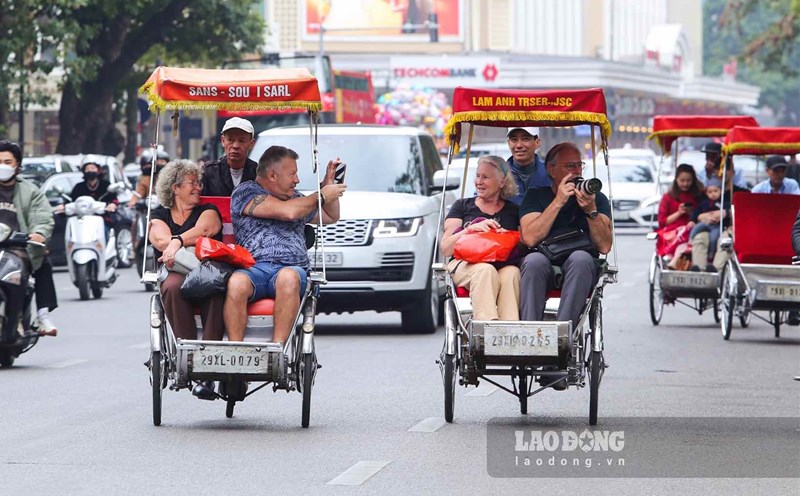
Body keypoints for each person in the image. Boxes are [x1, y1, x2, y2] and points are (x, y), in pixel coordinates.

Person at [225, 146, 346, 344]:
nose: (296, 180)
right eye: (293, 174)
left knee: (288, 277)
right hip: (254, 268)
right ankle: (236, 350)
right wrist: (321, 195)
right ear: (272, 175)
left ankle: (277, 350)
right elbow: (286, 212)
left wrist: (329, 185)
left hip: (291, 270)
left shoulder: (297, 198)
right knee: (236, 282)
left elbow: (330, 216)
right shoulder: (245, 192)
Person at [519, 142, 613, 389]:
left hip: (578, 264)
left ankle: (561, 348)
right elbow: (529, 237)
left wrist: (590, 210)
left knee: (582, 259)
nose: (577, 170)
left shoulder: (596, 197)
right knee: (533, 260)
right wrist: (559, 201)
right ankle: (532, 345)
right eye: (569, 166)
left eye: (579, 165)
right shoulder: (537, 195)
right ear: (551, 170)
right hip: (544, 261)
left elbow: (604, 246)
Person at [148, 159, 224, 400]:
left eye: (199, 183)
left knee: (213, 289)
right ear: (175, 187)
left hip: (205, 269)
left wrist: (176, 242)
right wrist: (173, 244)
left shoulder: (207, 209)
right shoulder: (160, 213)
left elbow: (205, 230)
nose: (198, 188)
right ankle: (188, 354)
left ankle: (209, 367)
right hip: (177, 271)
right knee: (170, 286)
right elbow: (159, 240)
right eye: (192, 183)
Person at [440, 156, 521, 321]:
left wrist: (504, 236)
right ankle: (486, 330)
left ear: (502, 182)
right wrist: (469, 230)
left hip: (502, 264)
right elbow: (446, 248)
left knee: (512, 273)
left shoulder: (513, 210)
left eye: (485, 177)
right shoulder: (462, 206)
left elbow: (524, 245)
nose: (479, 181)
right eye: (477, 176)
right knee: (485, 270)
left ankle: (509, 332)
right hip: (465, 263)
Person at [0, 140, 56, 335]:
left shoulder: (30, 191)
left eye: (7, 162)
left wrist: (39, 233)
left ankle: (43, 315)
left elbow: (43, 215)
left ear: (17, 166)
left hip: (19, 247)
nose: (2, 166)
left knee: (43, 260)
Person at [691, 158, 749, 272]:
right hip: (709, 228)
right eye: (719, 169)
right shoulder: (706, 194)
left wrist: (726, 213)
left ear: (732, 171)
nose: (723, 172)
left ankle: (716, 271)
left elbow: (745, 213)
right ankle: (699, 271)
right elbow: (696, 211)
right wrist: (701, 216)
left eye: (726, 169)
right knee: (699, 238)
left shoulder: (741, 193)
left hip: (729, 229)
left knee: (725, 241)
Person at [656, 163, 703, 268]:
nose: (685, 184)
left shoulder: (699, 196)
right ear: (676, 179)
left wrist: (693, 214)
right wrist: (679, 213)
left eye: (688, 181)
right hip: (672, 231)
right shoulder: (668, 197)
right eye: (682, 181)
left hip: (692, 229)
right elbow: (662, 222)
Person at [201, 117, 258, 196]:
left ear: (251, 143)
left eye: (242, 141)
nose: (235, 146)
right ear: (223, 141)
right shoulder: (209, 172)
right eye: (230, 140)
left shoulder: (259, 173)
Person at [69, 156, 119, 240]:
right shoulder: (79, 187)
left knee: (103, 232)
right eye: (87, 169)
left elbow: (114, 199)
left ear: (98, 170)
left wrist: (112, 205)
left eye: (93, 168)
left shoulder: (106, 185)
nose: (90, 171)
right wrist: (64, 206)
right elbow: (71, 201)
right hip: (82, 220)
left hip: (102, 219)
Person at [505, 126, 550, 205]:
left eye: (525, 139)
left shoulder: (551, 173)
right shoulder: (498, 175)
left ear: (537, 142)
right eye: (514, 140)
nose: (519, 145)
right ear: (509, 143)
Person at [689, 178, 723, 272]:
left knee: (714, 237)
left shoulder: (723, 203)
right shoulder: (704, 203)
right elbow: (696, 212)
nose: (713, 194)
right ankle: (690, 240)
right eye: (710, 192)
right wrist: (692, 220)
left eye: (716, 191)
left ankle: (711, 255)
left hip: (716, 226)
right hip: (705, 223)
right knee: (697, 229)